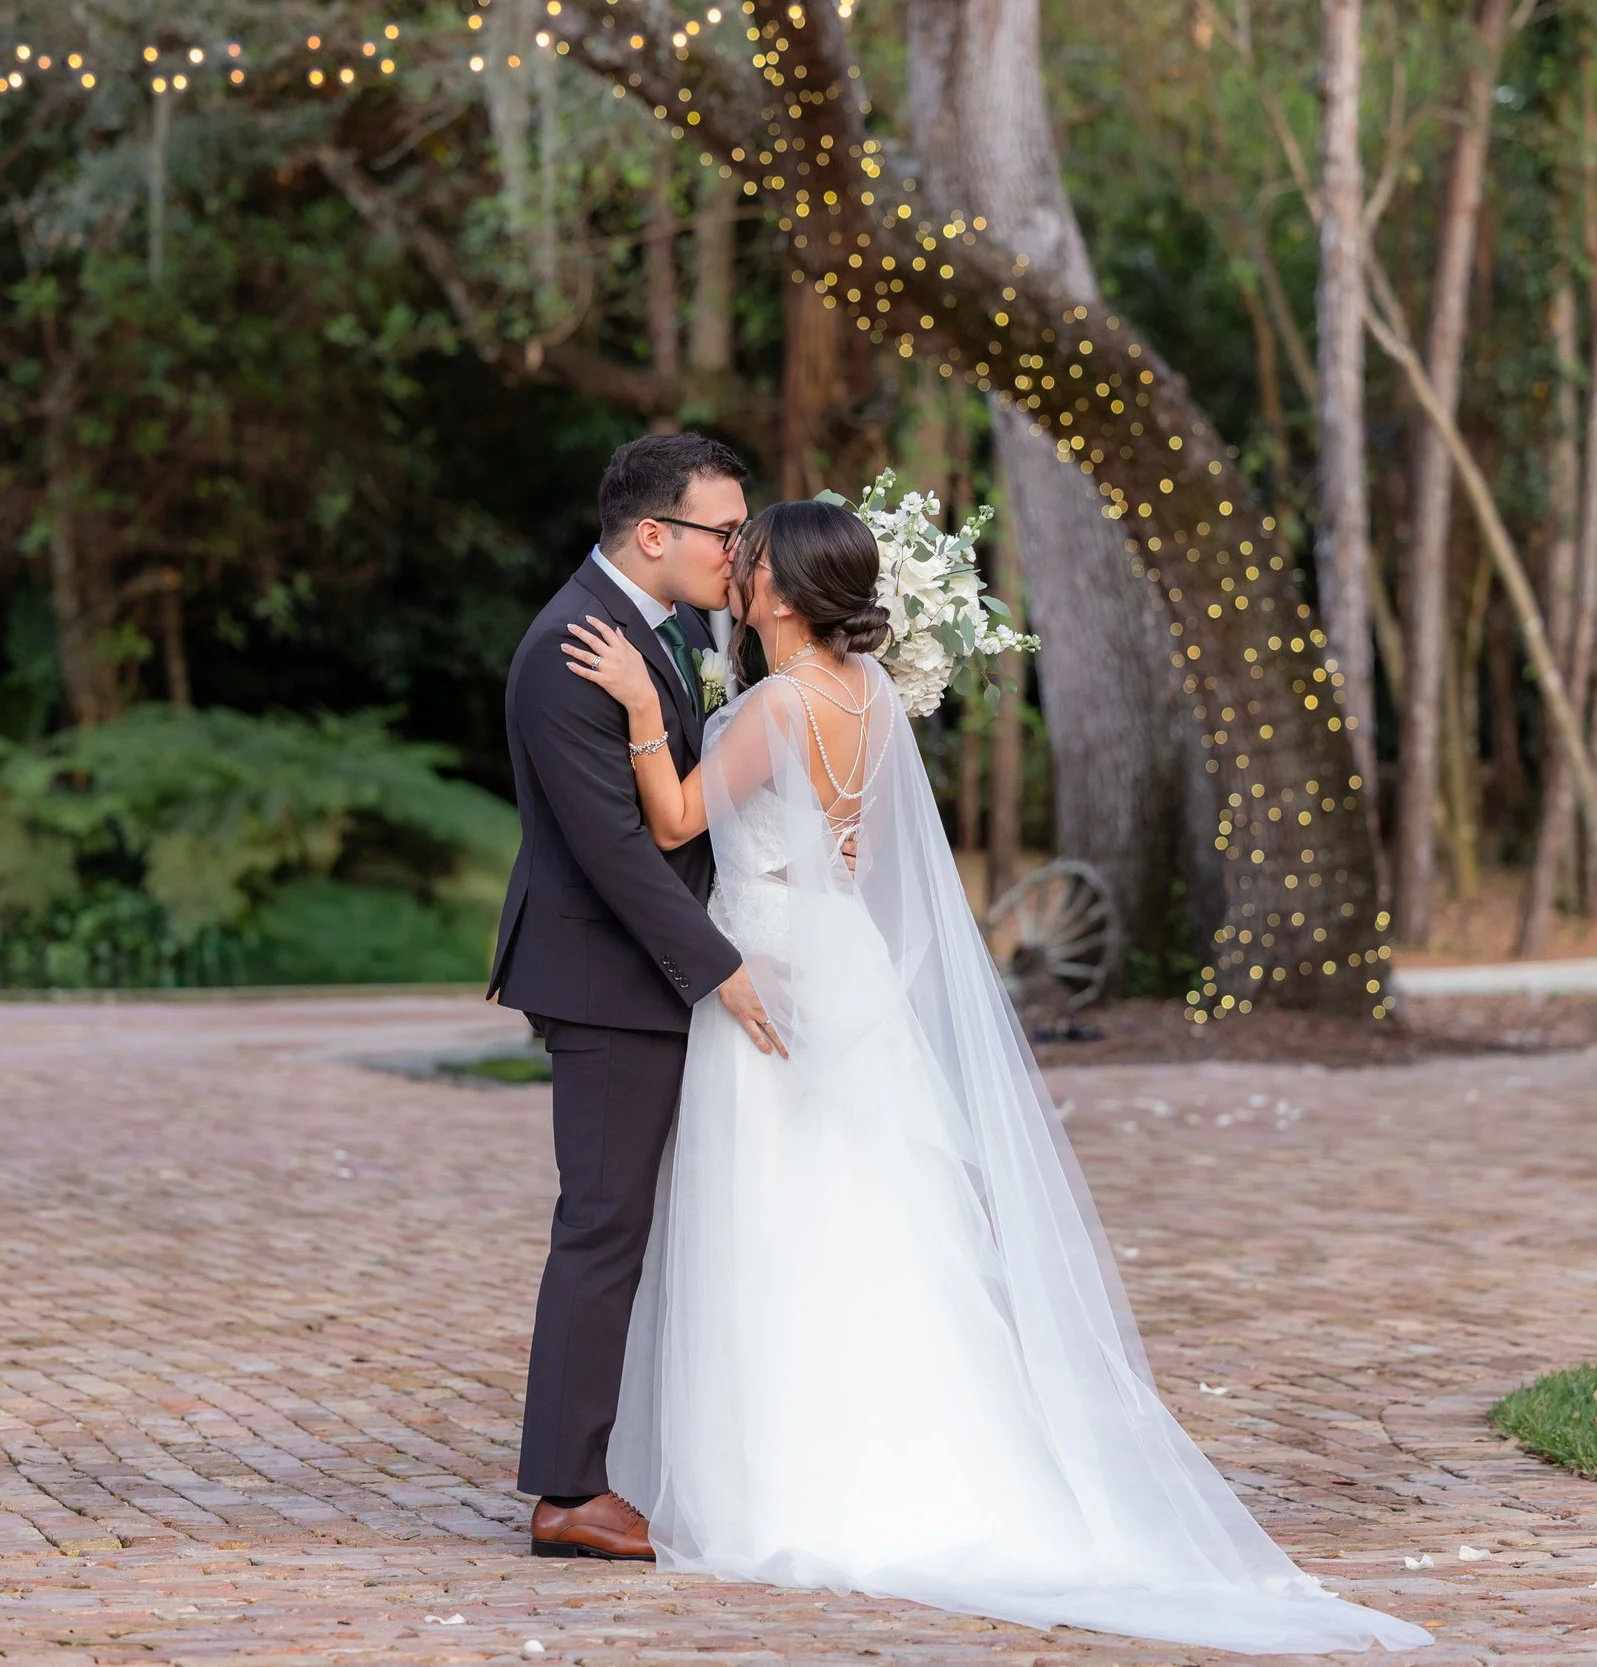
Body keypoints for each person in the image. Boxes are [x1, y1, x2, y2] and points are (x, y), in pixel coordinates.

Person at [555, 499, 1432, 1653]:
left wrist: (632, 705)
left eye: (749, 555)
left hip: (763, 971)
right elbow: (847, 838)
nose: (735, 566)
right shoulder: (864, 695)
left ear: (777, 590)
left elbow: (672, 812)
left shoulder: (774, 704)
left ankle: (790, 1468)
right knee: (872, 1213)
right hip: (833, 957)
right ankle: (924, 1443)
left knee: (774, 1213)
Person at [488, 433, 786, 1561]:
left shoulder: (660, 629)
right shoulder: (569, 644)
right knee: (602, 1224)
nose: (738, 551)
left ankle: (611, 1457)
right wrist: (720, 962)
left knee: (627, 1224)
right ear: (653, 533)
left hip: (637, 968)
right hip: (608, 980)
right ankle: (567, 1488)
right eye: (725, 530)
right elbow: (614, 848)